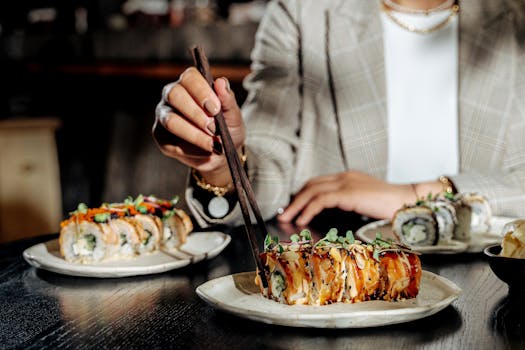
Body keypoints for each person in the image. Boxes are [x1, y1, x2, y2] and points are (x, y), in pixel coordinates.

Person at [153, 0, 525, 229]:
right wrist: (222, 166)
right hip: (338, 290)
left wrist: (416, 196)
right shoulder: (301, 13)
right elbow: (269, 157)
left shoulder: (515, 20)